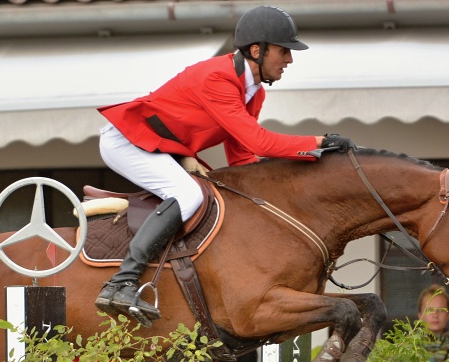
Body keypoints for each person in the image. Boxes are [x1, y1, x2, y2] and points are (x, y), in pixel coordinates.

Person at [94, 5, 357, 325]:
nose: (289, 59)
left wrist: (302, 168)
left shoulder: (254, 93)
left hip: (160, 147)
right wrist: (318, 142)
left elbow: (243, 157)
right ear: (257, 50)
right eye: (284, 50)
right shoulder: (217, 78)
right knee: (188, 195)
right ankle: (121, 283)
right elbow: (259, 142)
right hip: (127, 141)